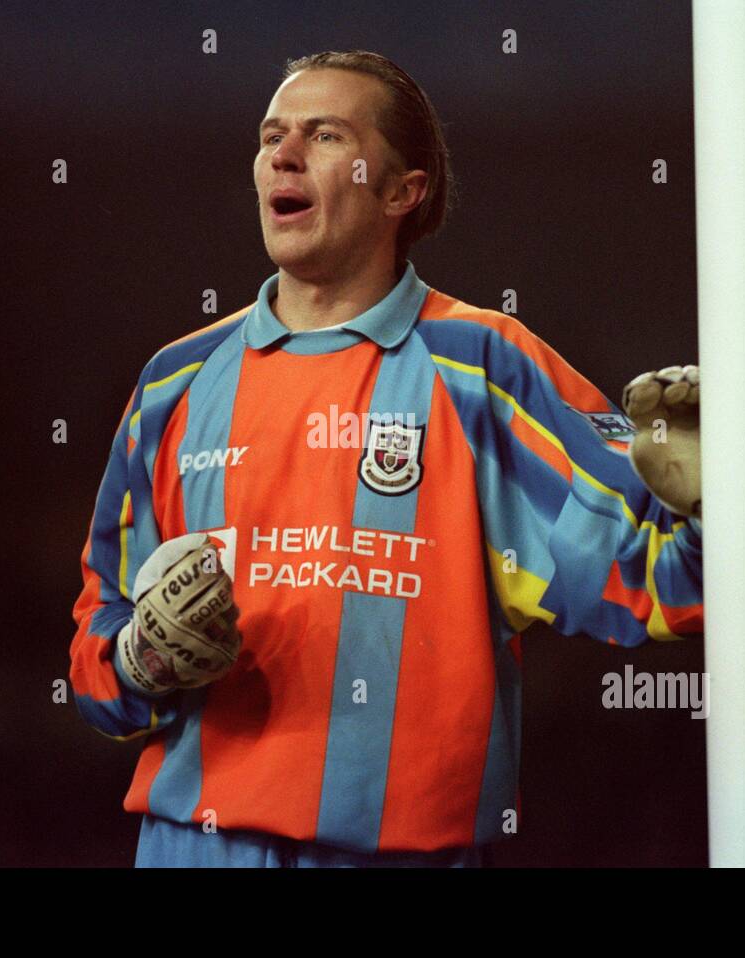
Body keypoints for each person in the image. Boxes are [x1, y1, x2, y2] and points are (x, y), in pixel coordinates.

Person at [69, 50, 703, 868]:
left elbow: (650, 581)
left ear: (405, 190)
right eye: (272, 137)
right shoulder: (173, 383)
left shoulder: (481, 366)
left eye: (324, 135)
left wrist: (720, 506)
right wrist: (139, 660)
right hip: (189, 848)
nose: (282, 156)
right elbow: (98, 654)